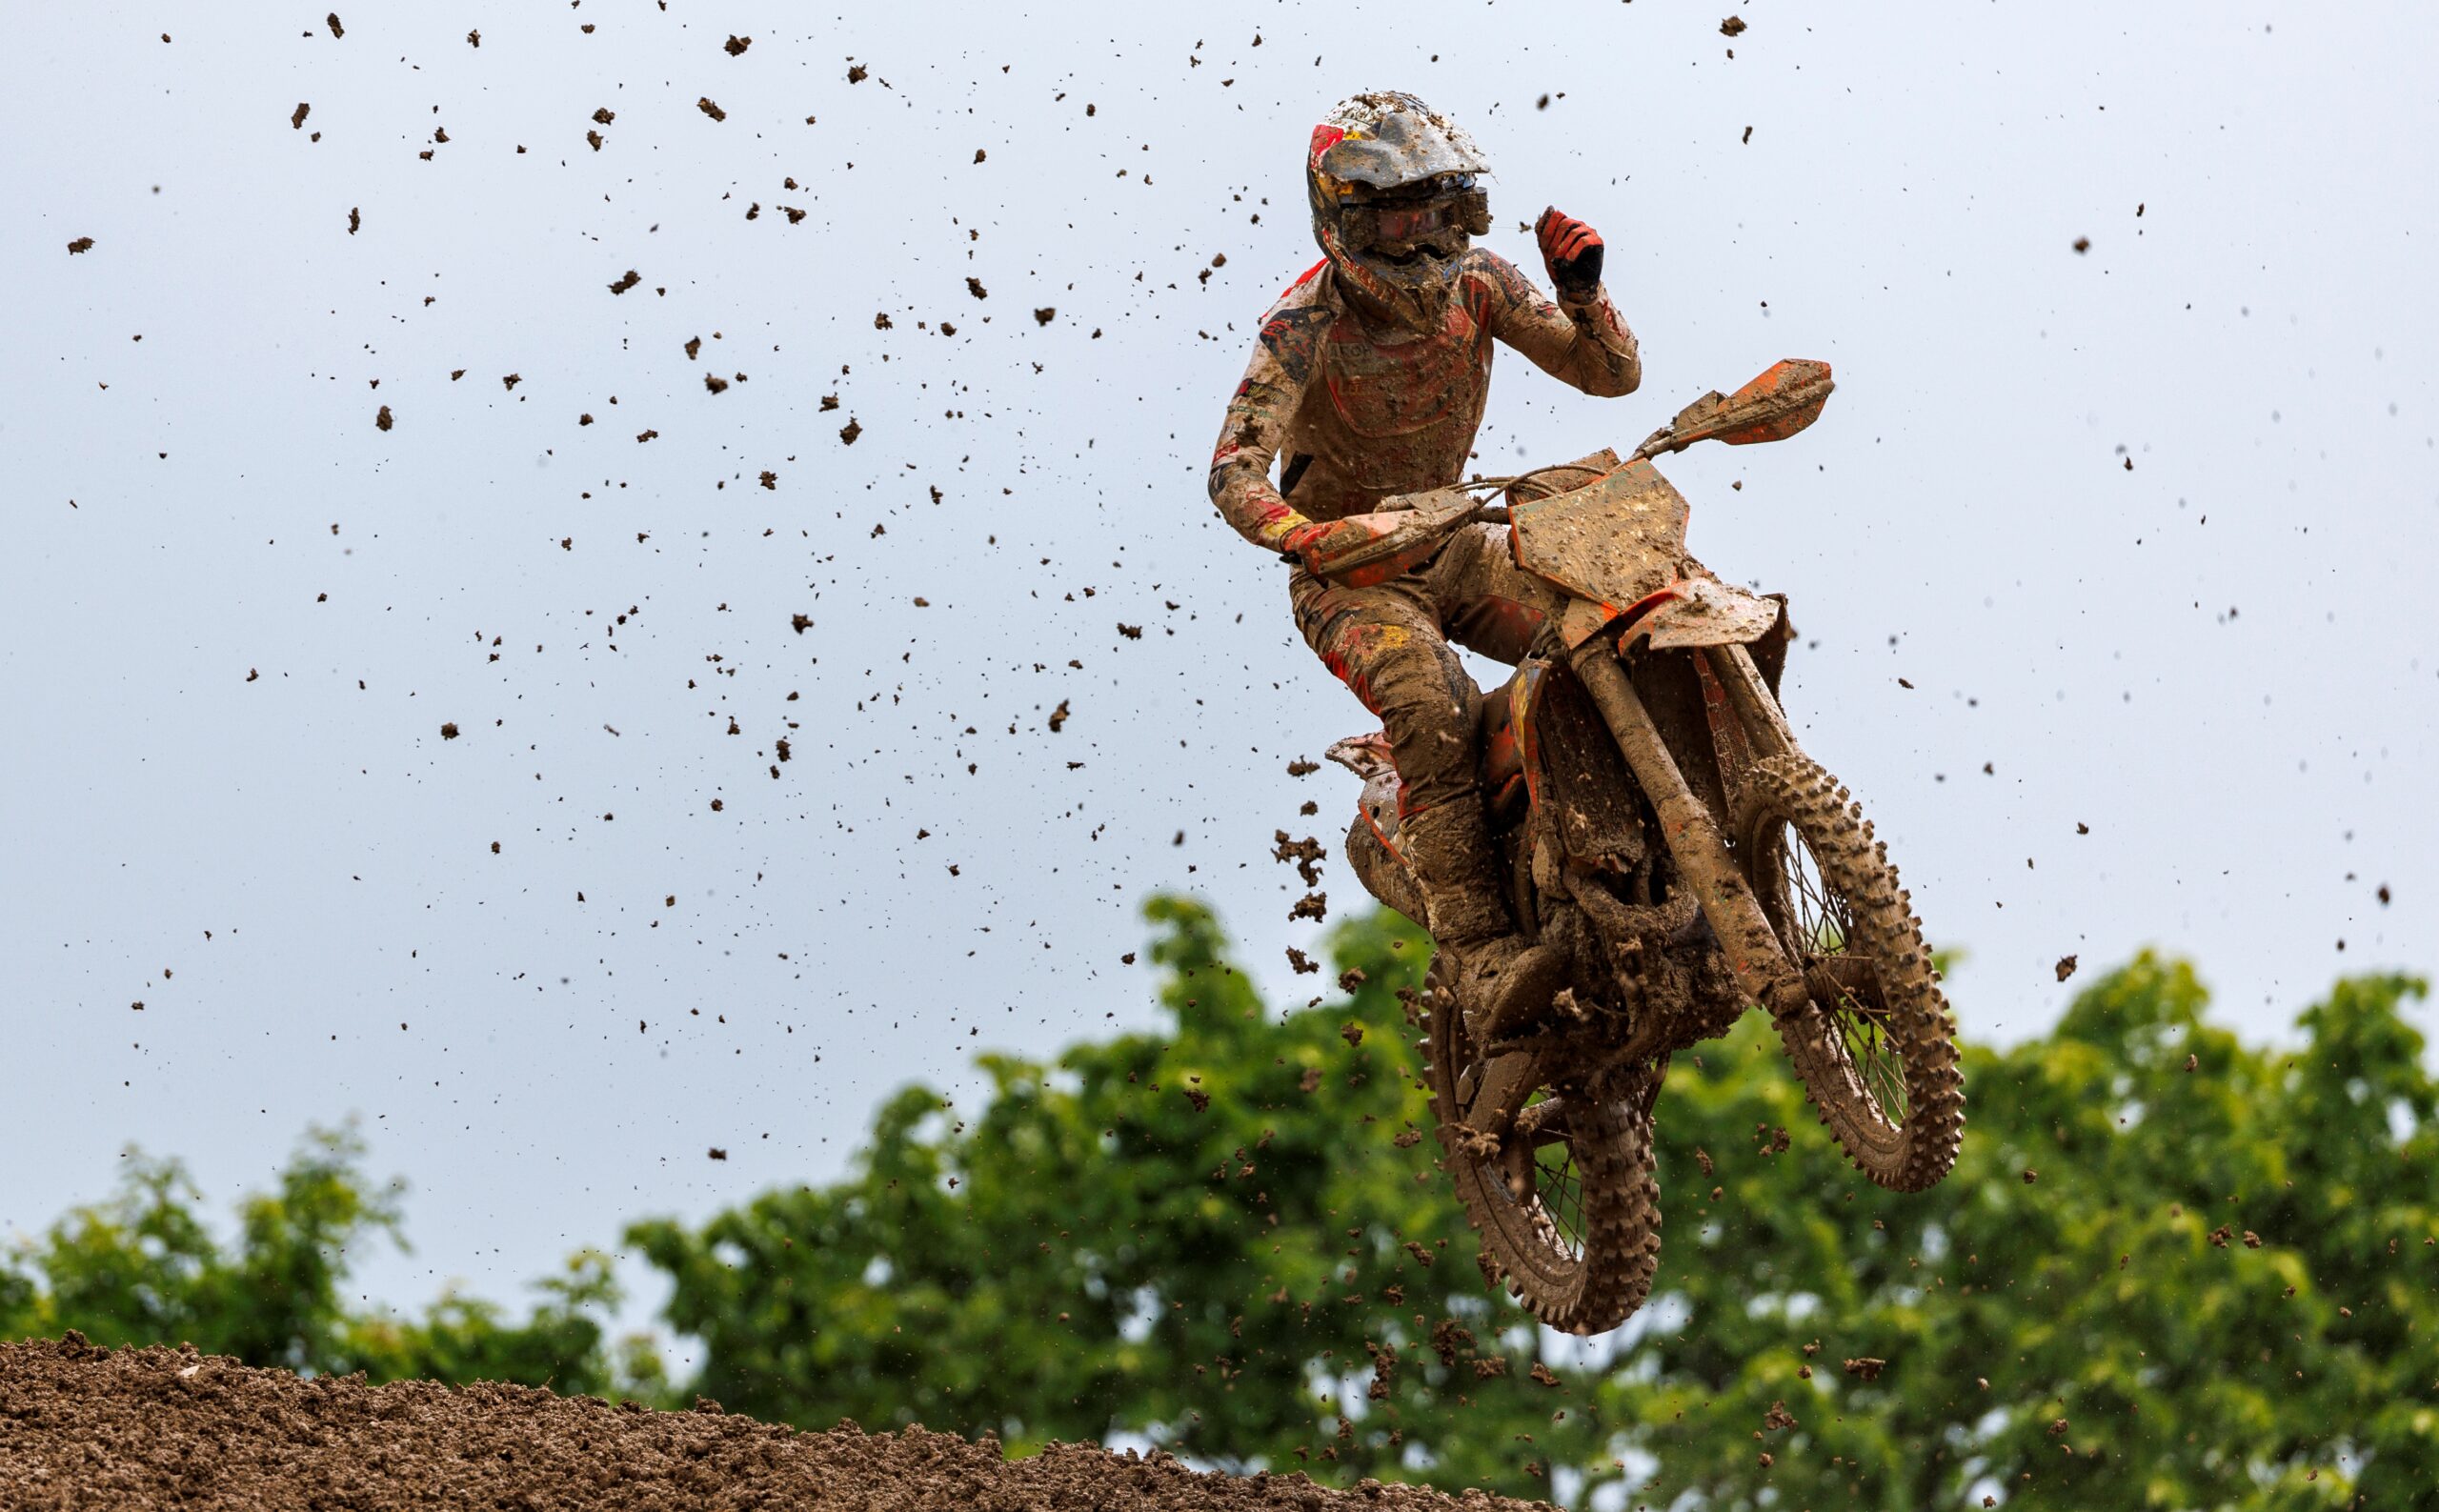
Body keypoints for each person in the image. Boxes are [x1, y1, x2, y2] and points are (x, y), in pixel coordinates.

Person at [1206, 91, 1643, 1029]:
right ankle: (1481, 949)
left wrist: (1582, 291)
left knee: (1610, 619)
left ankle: (1619, 837)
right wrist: (1313, 539)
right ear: (1348, 218)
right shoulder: (1304, 328)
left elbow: (1608, 376)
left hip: (1452, 540)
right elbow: (1234, 473)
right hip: (1351, 580)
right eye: (1398, 209)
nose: (1421, 229)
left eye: (1436, 204)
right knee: (1433, 706)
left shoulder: (1479, 283)